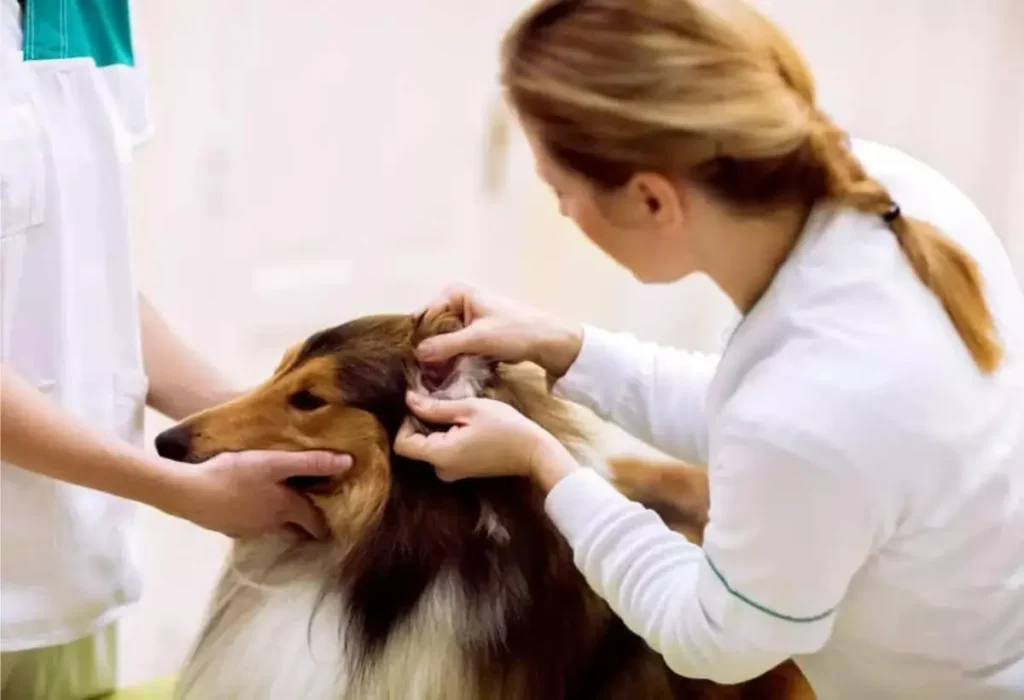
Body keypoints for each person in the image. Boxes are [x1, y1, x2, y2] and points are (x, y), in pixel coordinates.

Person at [394, 0, 1024, 697]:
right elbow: (761, 421)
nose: (565, 214)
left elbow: (716, 639)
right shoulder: (889, 193)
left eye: (559, 190)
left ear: (651, 200)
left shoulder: (810, 407)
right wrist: (563, 348)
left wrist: (548, 467)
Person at [0, 1, 350, 696]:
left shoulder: (94, 14)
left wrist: (256, 422)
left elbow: (83, 284)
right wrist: (180, 491)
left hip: (72, 579)